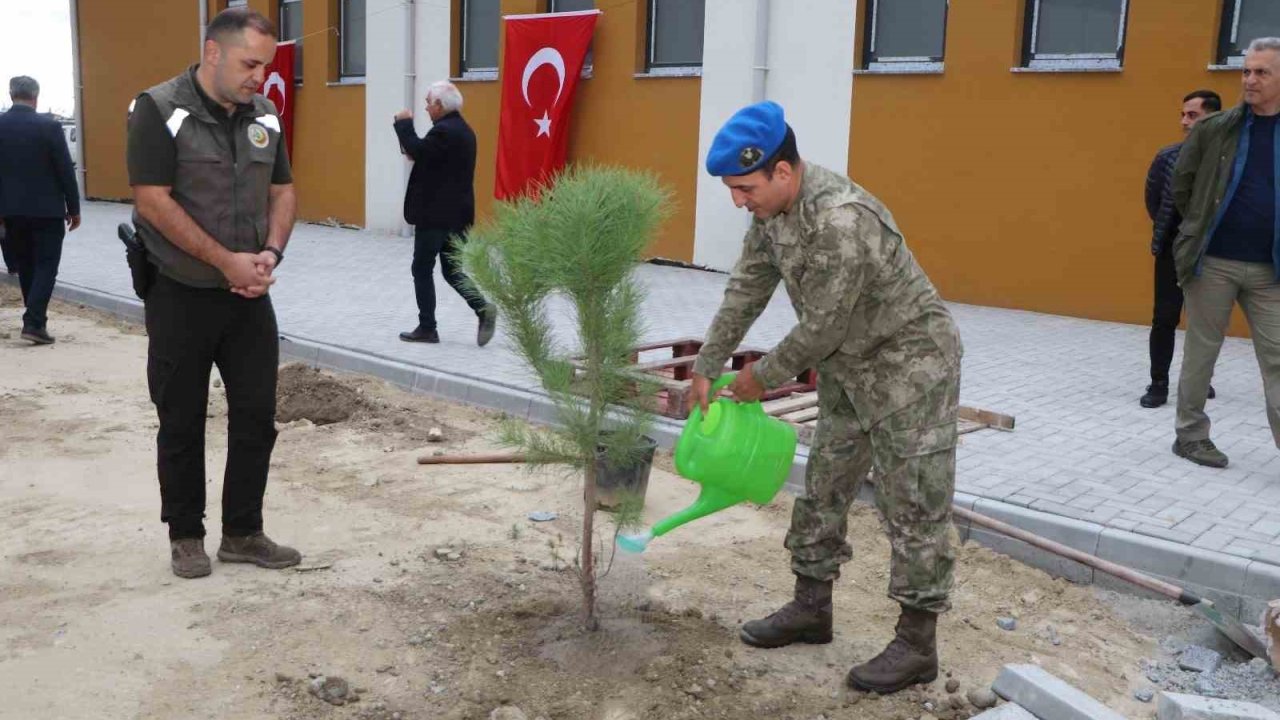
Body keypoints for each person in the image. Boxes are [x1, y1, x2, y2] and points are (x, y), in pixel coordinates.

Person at [688, 102, 963, 695]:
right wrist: (708, 364)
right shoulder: (771, 215)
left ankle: (917, 644)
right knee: (825, 485)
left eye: (744, 188)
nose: (739, 201)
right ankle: (811, 607)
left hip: (909, 367)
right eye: (732, 190)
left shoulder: (843, 221)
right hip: (849, 369)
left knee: (914, 506)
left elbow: (824, 327)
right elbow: (747, 288)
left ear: (782, 172)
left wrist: (762, 375)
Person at [126, 8, 301, 578]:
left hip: (249, 295)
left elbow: (283, 192)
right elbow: (152, 199)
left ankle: (244, 533)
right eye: (250, 63)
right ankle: (185, 535)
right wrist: (226, 261)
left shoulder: (265, 115)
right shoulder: (157, 109)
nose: (259, 76)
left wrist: (269, 255)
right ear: (213, 53)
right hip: (181, 292)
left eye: (265, 65)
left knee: (256, 415)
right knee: (181, 418)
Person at [1172, 37, 1280, 469]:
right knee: (1202, 353)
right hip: (1212, 261)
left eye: (1262, 72)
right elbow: (1183, 185)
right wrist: (1197, 228)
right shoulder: (1216, 129)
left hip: (1271, 269)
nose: (1250, 80)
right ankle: (1191, 436)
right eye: (1246, 71)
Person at [393, 81, 497, 346]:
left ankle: (428, 328)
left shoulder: (444, 132)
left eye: (429, 102)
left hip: (436, 216)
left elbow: (417, 149)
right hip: (458, 215)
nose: (426, 108)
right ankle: (482, 308)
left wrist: (403, 124)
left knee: (422, 268)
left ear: (440, 105)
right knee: (452, 270)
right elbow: (428, 157)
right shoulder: (462, 130)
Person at [1141, 89, 1222, 408]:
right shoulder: (1167, 157)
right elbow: (1154, 201)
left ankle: (1201, 381)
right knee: (1164, 318)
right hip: (1171, 251)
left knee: (1207, 322)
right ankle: (1158, 383)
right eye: (1183, 115)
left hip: (1213, 253)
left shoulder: (1226, 163)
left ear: (1212, 119)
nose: (1184, 121)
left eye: (1193, 115)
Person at [0, 75, 81, 344]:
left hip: (10, 212)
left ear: (12, 95)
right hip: (47, 211)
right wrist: (74, 207)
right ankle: (34, 322)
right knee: (46, 265)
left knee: (25, 265)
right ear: (36, 96)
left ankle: (35, 319)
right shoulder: (49, 127)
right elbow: (64, 171)